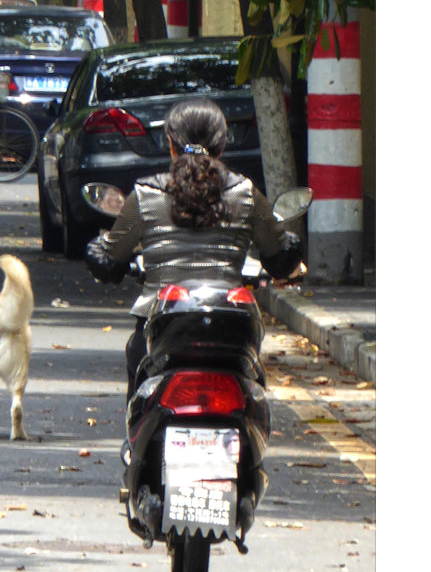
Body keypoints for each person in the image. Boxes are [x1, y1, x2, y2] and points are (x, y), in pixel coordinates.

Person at [83, 97, 305, 401]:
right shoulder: (246, 193)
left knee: (139, 390)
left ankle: (136, 447)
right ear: (223, 144)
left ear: (170, 143)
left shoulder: (145, 195)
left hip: (159, 326)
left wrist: (98, 246)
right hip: (231, 324)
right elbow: (280, 255)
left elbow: (107, 260)